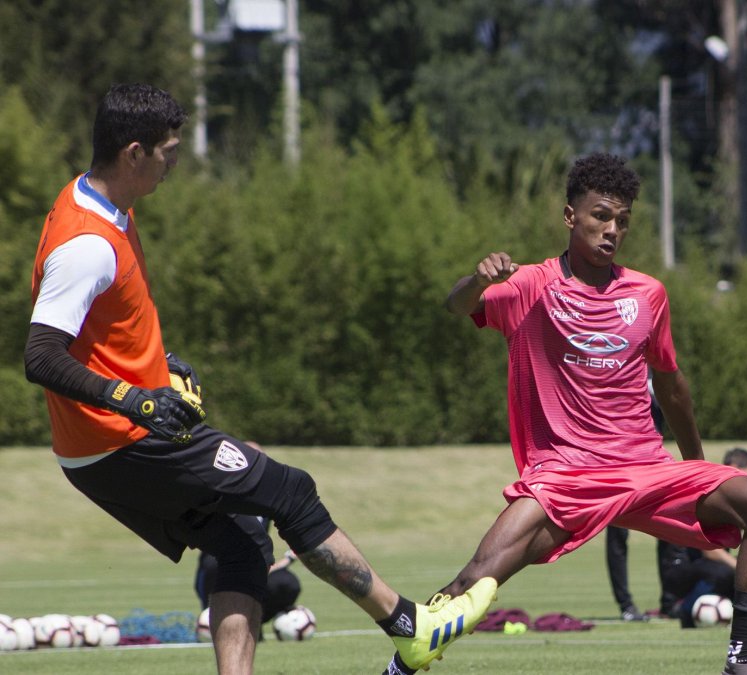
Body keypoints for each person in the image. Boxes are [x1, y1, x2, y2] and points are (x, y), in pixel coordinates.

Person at [24, 83, 495, 675]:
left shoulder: (101, 204)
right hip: (120, 442)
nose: (176, 162)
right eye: (169, 151)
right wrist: (133, 398)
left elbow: (104, 330)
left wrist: (157, 367)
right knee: (290, 491)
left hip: (105, 446)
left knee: (242, 543)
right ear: (134, 153)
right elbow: (40, 356)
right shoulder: (87, 243)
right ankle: (410, 625)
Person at [438, 153, 747, 675]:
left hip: (646, 469)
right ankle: (404, 661)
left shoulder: (648, 294)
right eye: (601, 215)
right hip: (567, 475)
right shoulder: (531, 286)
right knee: (476, 579)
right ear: (569, 216)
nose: (612, 229)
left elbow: (671, 386)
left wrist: (696, 464)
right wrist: (478, 278)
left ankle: (742, 661)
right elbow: (457, 305)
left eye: (622, 221)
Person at [661, 448, 747, 628]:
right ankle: (686, 609)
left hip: (708, 567)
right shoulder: (713, 493)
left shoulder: (736, 500)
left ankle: (741, 610)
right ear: (734, 468)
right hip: (682, 568)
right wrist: (741, 566)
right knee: (726, 571)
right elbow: (710, 553)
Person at [604, 368, 666, 622]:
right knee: (617, 534)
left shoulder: (660, 371)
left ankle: (671, 601)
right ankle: (626, 605)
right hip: (617, 463)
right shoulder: (617, 368)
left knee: (671, 527)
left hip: (652, 463)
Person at [195, 517, 303, 634]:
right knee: (214, 564)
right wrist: (289, 559)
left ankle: (252, 622)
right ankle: (216, 616)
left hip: (252, 569)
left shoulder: (265, 506)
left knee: (286, 582)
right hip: (219, 568)